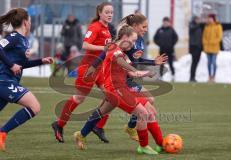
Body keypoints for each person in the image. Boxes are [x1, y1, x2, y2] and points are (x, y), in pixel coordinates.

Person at [75, 13, 168, 145]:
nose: (146, 29)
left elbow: (135, 59)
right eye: (144, 26)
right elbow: (108, 53)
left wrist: (153, 63)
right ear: (135, 26)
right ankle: (131, 129)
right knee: (145, 103)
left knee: (105, 109)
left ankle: (84, 133)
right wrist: (93, 67)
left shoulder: (138, 40)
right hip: (118, 81)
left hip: (124, 78)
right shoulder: (124, 40)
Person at [51, 2, 113, 143]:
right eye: (107, 12)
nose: (110, 14)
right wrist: (103, 47)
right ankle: (59, 124)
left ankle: (98, 126)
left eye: (111, 12)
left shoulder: (107, 28)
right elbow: (85, 45)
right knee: (79, 98)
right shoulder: (95, 27)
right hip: (89, 68)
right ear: (100, 13)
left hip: (99, 69)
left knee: (112, 97)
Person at [0, 8, 53, 151]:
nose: (30, 24)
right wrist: (11, 65)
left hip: (8, 82)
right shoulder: (14, 37)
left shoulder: (23, 40)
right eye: (30, 21)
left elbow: (21, 66)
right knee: (34, 106)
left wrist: (41, 61)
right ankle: (2, 132)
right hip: (4, 81)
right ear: (25, 22)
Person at [202, 14, 223, 82]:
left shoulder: (218, 26)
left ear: (213, 19)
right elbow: (204, 37)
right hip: (207, 48)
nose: (209, 20)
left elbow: (219, 37)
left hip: (215, 48)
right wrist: (205, 43)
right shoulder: (207, 27)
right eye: (208, 18)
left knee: (213, 62)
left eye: (210, 18)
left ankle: (213, 76)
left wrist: (212, 41)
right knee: (208, 63)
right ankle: (209, 76)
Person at [189, 16, 202, 82]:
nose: (199, 20)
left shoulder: (199, 26)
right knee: (194, 63)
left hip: (199, 47)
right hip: (194, 47)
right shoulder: (192, 25)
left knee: (196, 62)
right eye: (197, 19)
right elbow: (192, 28)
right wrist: (198, 24)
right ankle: (191, 77)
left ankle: (193, 77)